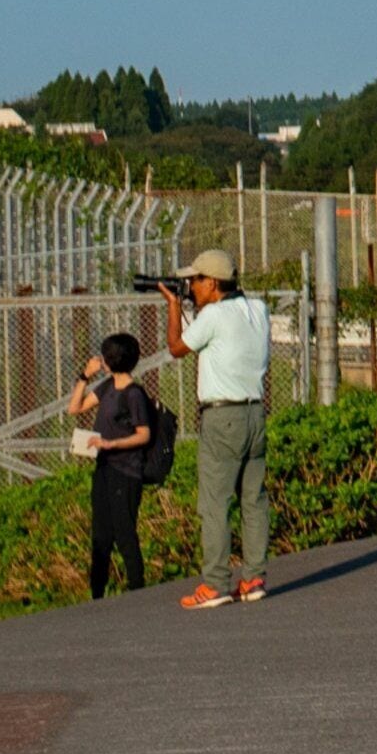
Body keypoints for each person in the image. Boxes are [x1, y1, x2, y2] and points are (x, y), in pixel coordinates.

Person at [165, 247, 271, 611]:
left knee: (215, 502)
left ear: (211, 282)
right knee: (253, 499)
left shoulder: (213, 316)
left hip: (221, 415)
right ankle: (253, 577)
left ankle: (215, 584)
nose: (191, 286)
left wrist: (174, 306)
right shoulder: (258, 310)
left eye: (195, 280)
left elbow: (177, 347)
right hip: (255, 412)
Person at [65, 332, 162, 601]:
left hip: (126, 472)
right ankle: (97, 595)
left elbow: (144, 435)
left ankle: (137, 591)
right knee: (101, 535)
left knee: (124, 533)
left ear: (112, 360)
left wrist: (111, 444)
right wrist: (85, 377)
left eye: (104, 356)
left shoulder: (134, 395)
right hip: (104, 471)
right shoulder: (107, 387)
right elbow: (75, 408)